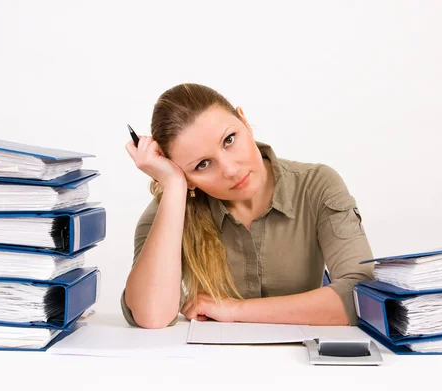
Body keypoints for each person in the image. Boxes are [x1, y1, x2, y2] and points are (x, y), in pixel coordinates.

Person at [122, 83, 375, 329]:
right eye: (202, 165)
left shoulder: (316, 185)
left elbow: (361, 298)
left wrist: (234, 310)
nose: (231, 170)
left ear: (244, 121)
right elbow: (151, 316)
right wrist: (175, 185)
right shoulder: (171, 210)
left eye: (229, 139)